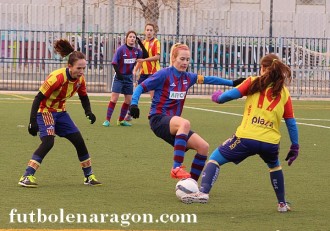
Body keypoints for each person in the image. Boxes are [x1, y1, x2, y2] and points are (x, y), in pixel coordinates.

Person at [180, 53, 299, 213]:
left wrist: (217, 97)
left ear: (263, 68)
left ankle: (203, 192)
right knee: (275, 166)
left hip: (246, 138)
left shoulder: (253, 82)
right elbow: (291, 122)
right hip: (270, 142)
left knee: (215, 158)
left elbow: (227, 97)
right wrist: (295, 145)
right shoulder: (284, 92)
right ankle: (282, 204)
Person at [129, 43, 245, 181]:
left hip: (174, 124)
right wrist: (134, 104)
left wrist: (232, 83)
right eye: (182, 59)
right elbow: (140, 87)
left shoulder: (188, 77)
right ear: (173, 58)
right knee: (185, 123)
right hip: (158, 119)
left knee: (203, 147)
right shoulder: (163, 74)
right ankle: (176, 168)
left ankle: (192, 184)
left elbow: (209, 79)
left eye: (187, 60)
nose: (185, 63)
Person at [18, 39, 101, 187]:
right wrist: (32, 121)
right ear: (70, 66)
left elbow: (84, 96)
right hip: (45, 111)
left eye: (84, 68)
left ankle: (89, 176)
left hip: (61, 113)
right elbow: (38, 98)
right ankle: (26, 176)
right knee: (49, 141)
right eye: (79, 68)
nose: (82, 72)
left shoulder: (80, 80)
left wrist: (88, 112)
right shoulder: (57, 78)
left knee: (79, 140)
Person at [102, 30, 148, 127]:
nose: (132, 38)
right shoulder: (121, 49)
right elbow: (114, 63)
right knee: (114, 99)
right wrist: (119, 75)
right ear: (126, 38)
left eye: (134, 37)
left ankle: (121, 120)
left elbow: (146, 55)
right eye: (130, 36)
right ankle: (107, 120)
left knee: (128, 100)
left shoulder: (136, 51)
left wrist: (140, 44)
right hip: (119, 77)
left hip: (129, 78)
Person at [125, 23, 161, 121]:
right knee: (136, 91)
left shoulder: (156, 42)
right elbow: (141, 59)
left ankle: (154, 115)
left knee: (153, 95)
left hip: (154, 73)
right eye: (147, 30)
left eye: (151, 30)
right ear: (145, 31)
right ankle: (130, 113)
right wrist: (135, 69)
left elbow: (157, 57)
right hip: (144, 73)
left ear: (153, 32)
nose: (149, 32)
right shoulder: (143, 43)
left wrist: (144, 60)